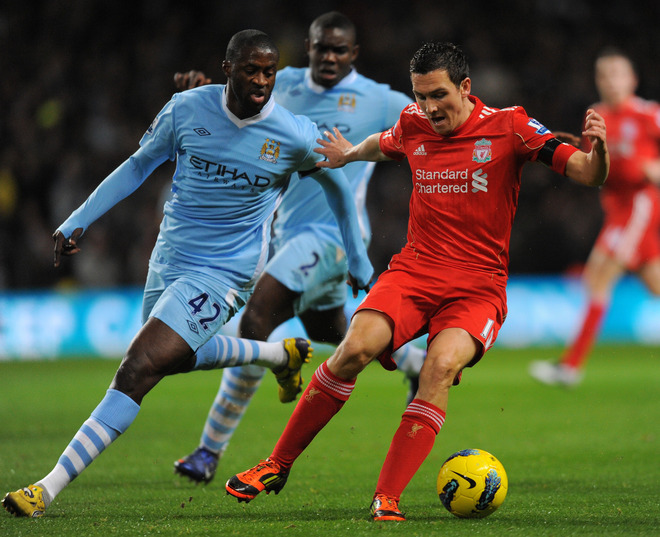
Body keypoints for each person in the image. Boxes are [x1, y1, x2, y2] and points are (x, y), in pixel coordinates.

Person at [223, 41, 609, 522]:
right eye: (420, 96)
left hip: (477, 287)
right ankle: (275, 464)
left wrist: (601, 152)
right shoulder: (414, 124)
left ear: (466, 87)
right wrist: (347, 155)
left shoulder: (511, 126)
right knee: (353, 350)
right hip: (414, 271)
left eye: (438, 96)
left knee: (439, 367)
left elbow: (588, 174)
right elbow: (384, 144)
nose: (429, 108)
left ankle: (387, 497)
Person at [2, 29, 373, 519]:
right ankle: (275, 356)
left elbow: (340, 189)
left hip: (226, 273)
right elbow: (138, 166)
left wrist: (360, 260)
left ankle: (45, 488)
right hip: (170, 259)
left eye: (269, 71)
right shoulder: (186, 110)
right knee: (169, 359)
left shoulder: (294, 134)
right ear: (228, 68)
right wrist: (79, 218)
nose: (261, 80)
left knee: (138, 368)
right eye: (251, 70)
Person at [171, 11, 425, 485]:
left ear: (354, 55)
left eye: (339, 50)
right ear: (307, 48)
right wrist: (203, 90)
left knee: (258, 319)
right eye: (320, 48)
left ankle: (209, 449)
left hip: (332, 239)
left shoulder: (381, 100)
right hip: (284, 235)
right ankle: (412, 357)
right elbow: (232, 109)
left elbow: (440, 112)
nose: (329, 56)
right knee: (335, 332)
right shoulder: (279, 82)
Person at [529, 48, 660, 387]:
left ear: (633, 79)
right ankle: (569, 367)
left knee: (597, 277)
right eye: (604, 75)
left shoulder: (649, 115)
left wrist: (652, 169)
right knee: (653, 282)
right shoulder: (596, 118)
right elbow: (595, 169)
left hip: (639, 208)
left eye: (618, 74)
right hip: (616, 209)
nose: (611, 82)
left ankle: (570, 367)